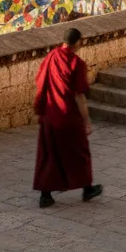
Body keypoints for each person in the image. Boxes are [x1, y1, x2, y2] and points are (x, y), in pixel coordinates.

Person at [33, 27, 102, 208]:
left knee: (49, 155)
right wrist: (86, 121)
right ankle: (87, 189)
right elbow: (79, 96)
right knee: (79, 152)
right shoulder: (76, 63)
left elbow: (40, 82)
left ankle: (45, 195)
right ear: (77, 43)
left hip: (50, 114)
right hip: (68, 116)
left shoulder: (51, 57)